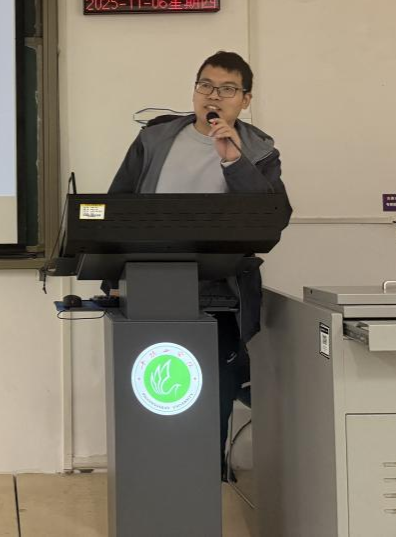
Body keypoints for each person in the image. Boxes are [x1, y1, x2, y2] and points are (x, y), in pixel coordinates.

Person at [107, 50, 290, 479]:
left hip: (220, 294)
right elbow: (118, 207)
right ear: (194, 91)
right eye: (205, 85)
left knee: (212, 396)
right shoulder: (155, 139)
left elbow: (272, 219)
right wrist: (114, 278)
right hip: (150, 286)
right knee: (149, 391)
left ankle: (200, 482)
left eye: (227, 89)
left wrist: (233, 161)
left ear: (245, 99)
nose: (214, 96)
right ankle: (151, 481)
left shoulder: (258, 151)